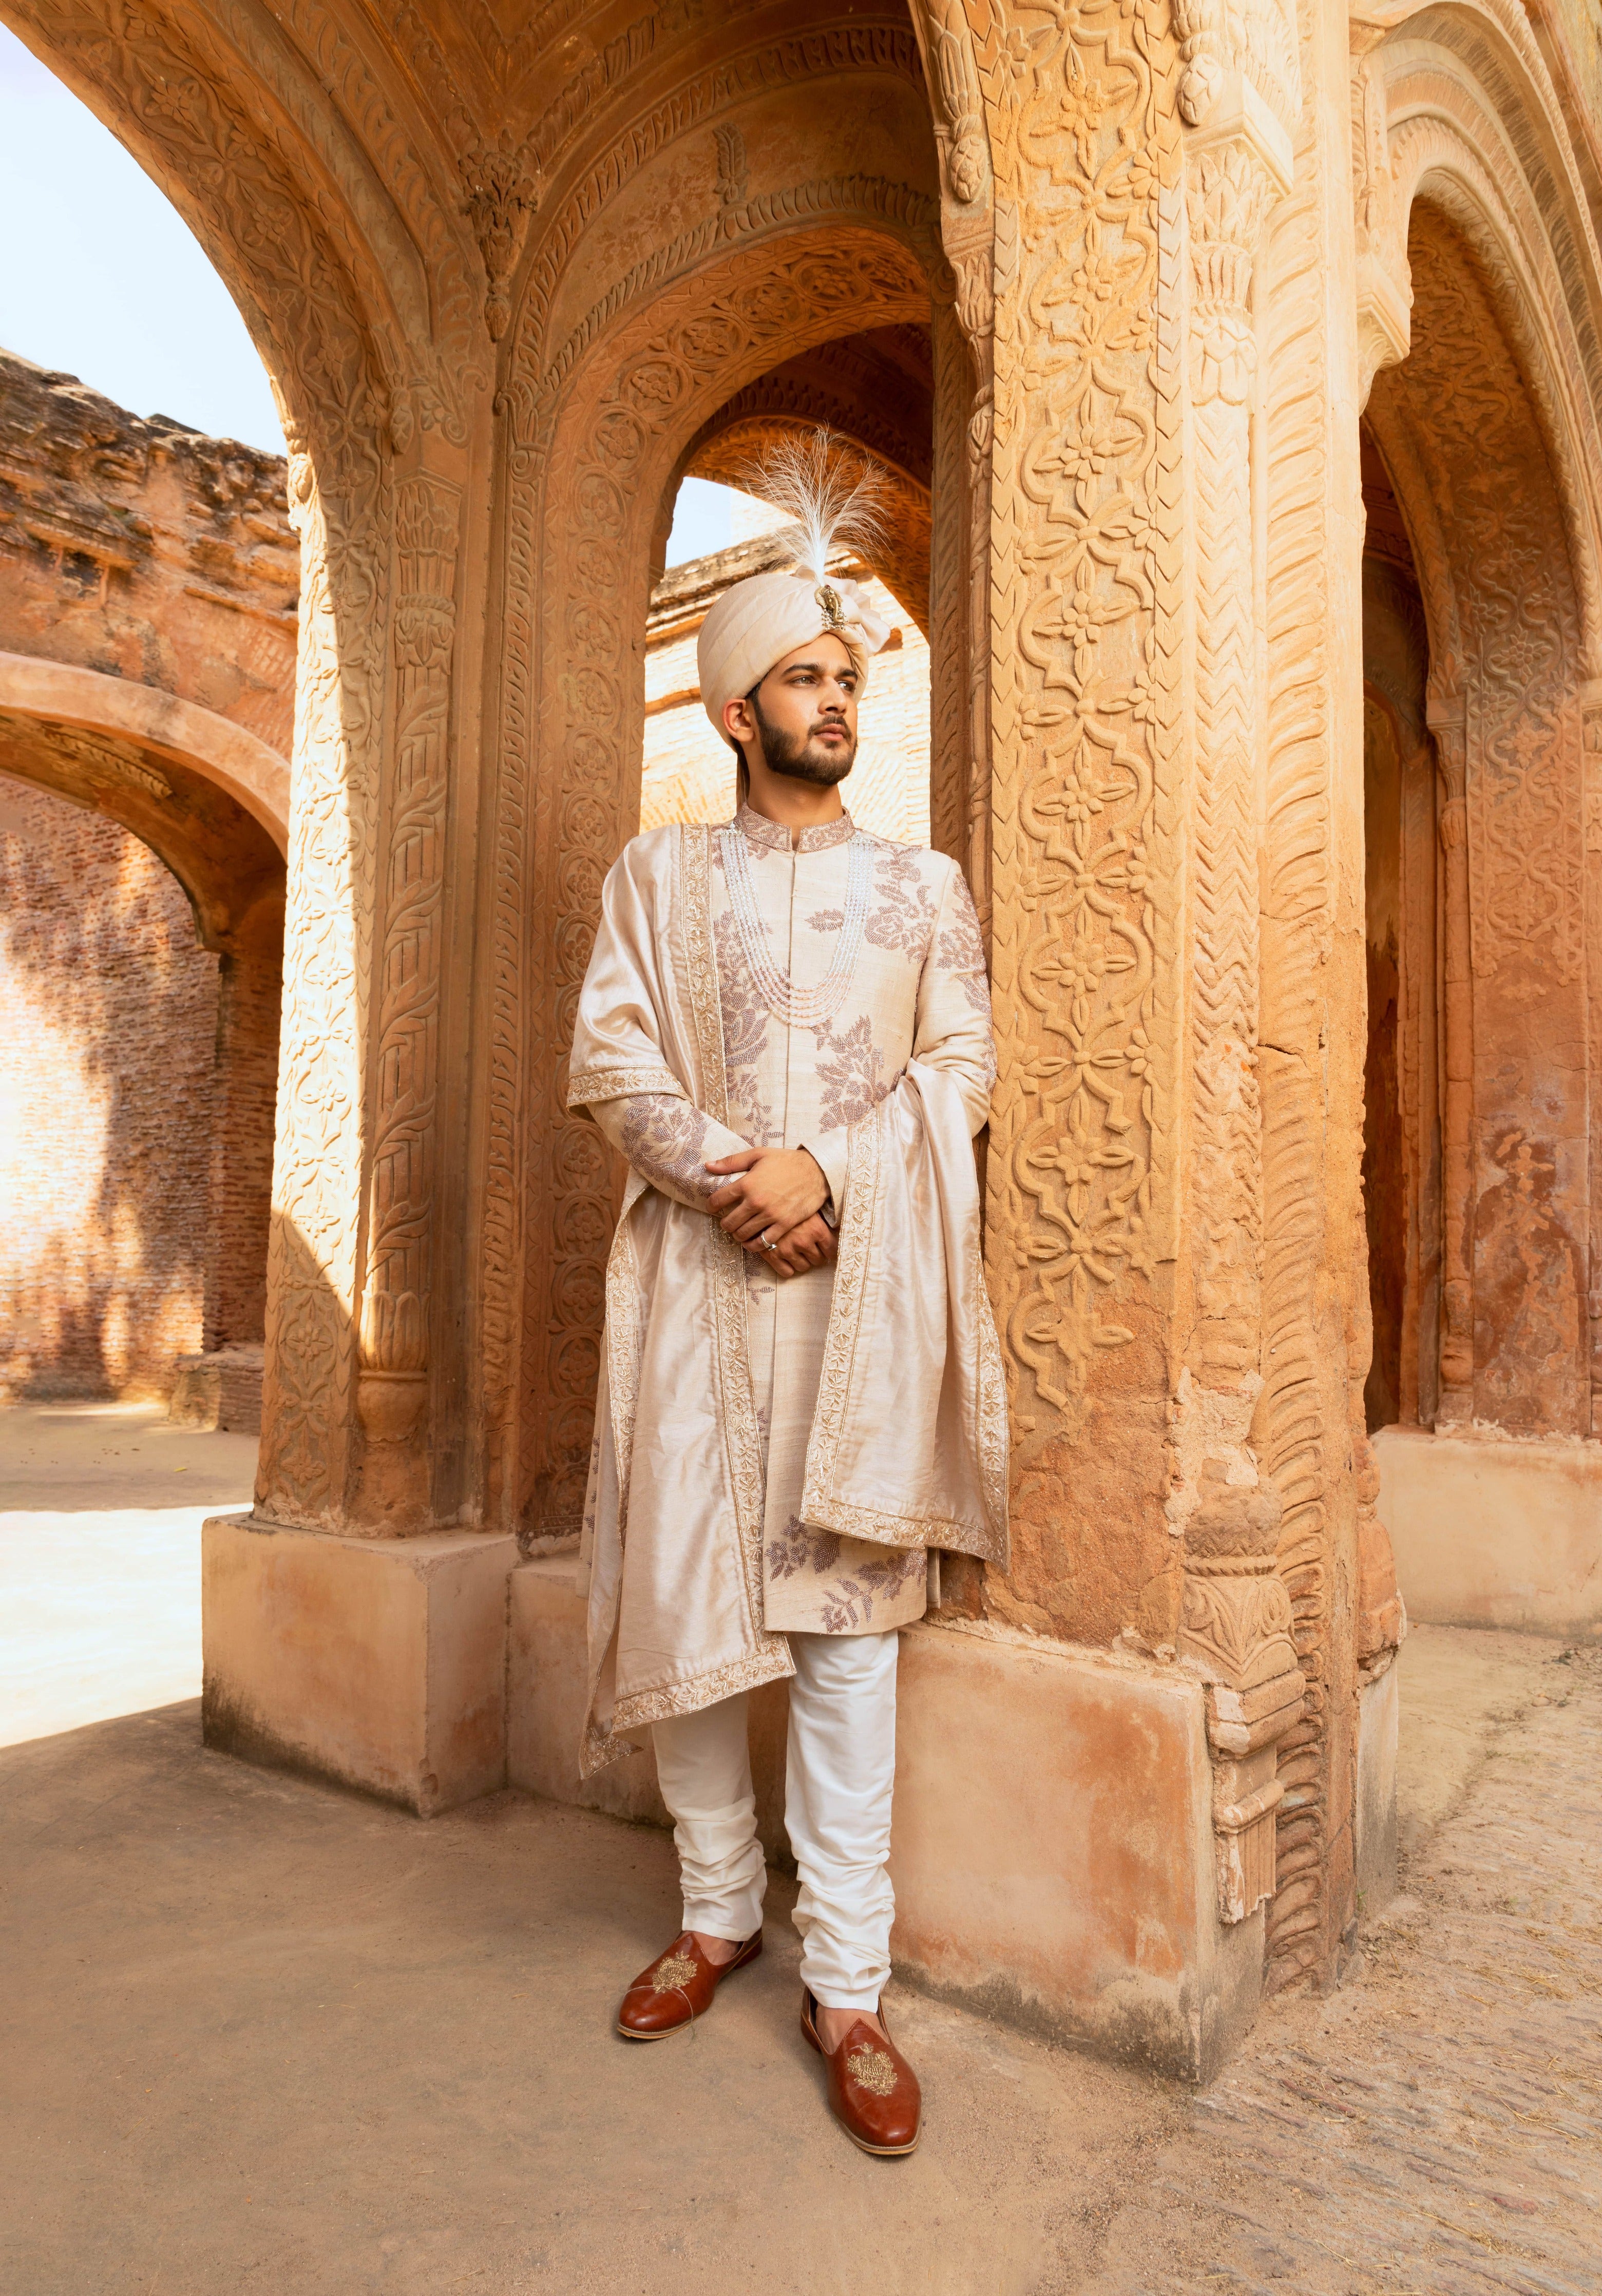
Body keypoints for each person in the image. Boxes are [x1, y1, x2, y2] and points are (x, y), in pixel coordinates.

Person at [565, 435, 1007, 2157]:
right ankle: (714, 1914)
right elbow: (610, 1055)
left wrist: (827, 1173)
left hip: (861, 1301)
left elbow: (959, 1063)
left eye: (845, 676)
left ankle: (848, 1982)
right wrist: (732, 1179)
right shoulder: (655, 881)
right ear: (735, 710)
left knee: (841, 1652)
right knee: (696, 1630)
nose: (836, 700)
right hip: (696, 1286)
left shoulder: (926, 888)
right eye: (804, 679)